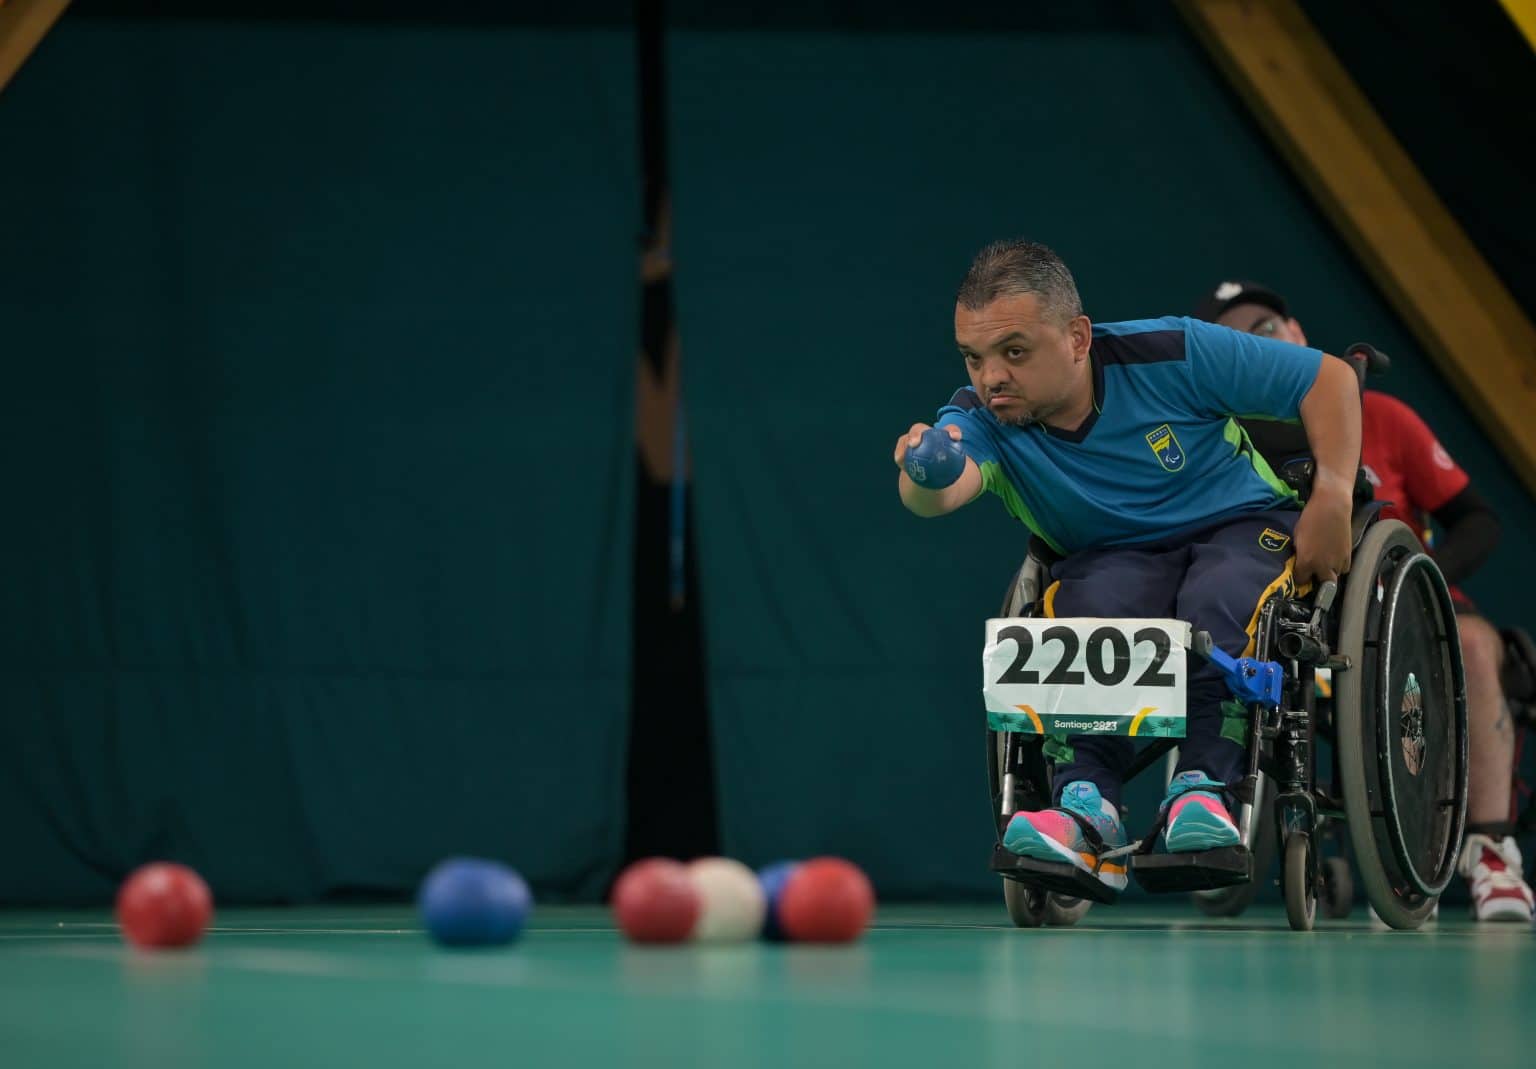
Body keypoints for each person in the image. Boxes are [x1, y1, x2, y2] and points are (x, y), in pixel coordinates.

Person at [893, 240, 1361, 895]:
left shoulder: (1173, 351)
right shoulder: (979, 418)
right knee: (1088, 609)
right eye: (974, 358)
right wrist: (922, 466)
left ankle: (1203, 790)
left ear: (1078, 338)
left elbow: (1329, 379)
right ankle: (1087, 807)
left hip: (1239, 523)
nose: (990, 376)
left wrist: (1334, 494)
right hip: (1113, 558)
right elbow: (939, 492)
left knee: (1221, 594)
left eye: (1014, 352)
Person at [1193, 279, 1535, 922]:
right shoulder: (1221, 436)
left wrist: (1421, 579)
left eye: (1266, 328)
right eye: (1233, 339)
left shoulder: (1383, 417)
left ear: (1296, 336)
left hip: (1402, 590)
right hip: (1291, 605)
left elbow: (1477, 519)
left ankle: (1491, 849)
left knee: (1474, 643)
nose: (1255, 342)